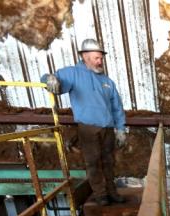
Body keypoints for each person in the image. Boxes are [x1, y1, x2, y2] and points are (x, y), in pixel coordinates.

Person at [42, 39, 127, 206]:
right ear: (85, 56)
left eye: (101, 58)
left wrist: (121, 129)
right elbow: (52, 80)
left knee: (109, 161)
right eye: (96, 58)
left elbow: (117, 107)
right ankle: (100, 194)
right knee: (93, 162)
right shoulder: (73, 73)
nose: (100, 61)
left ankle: (112, 191)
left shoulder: (108, 82)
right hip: (88, 128)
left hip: (108, 128)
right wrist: (48, 78)